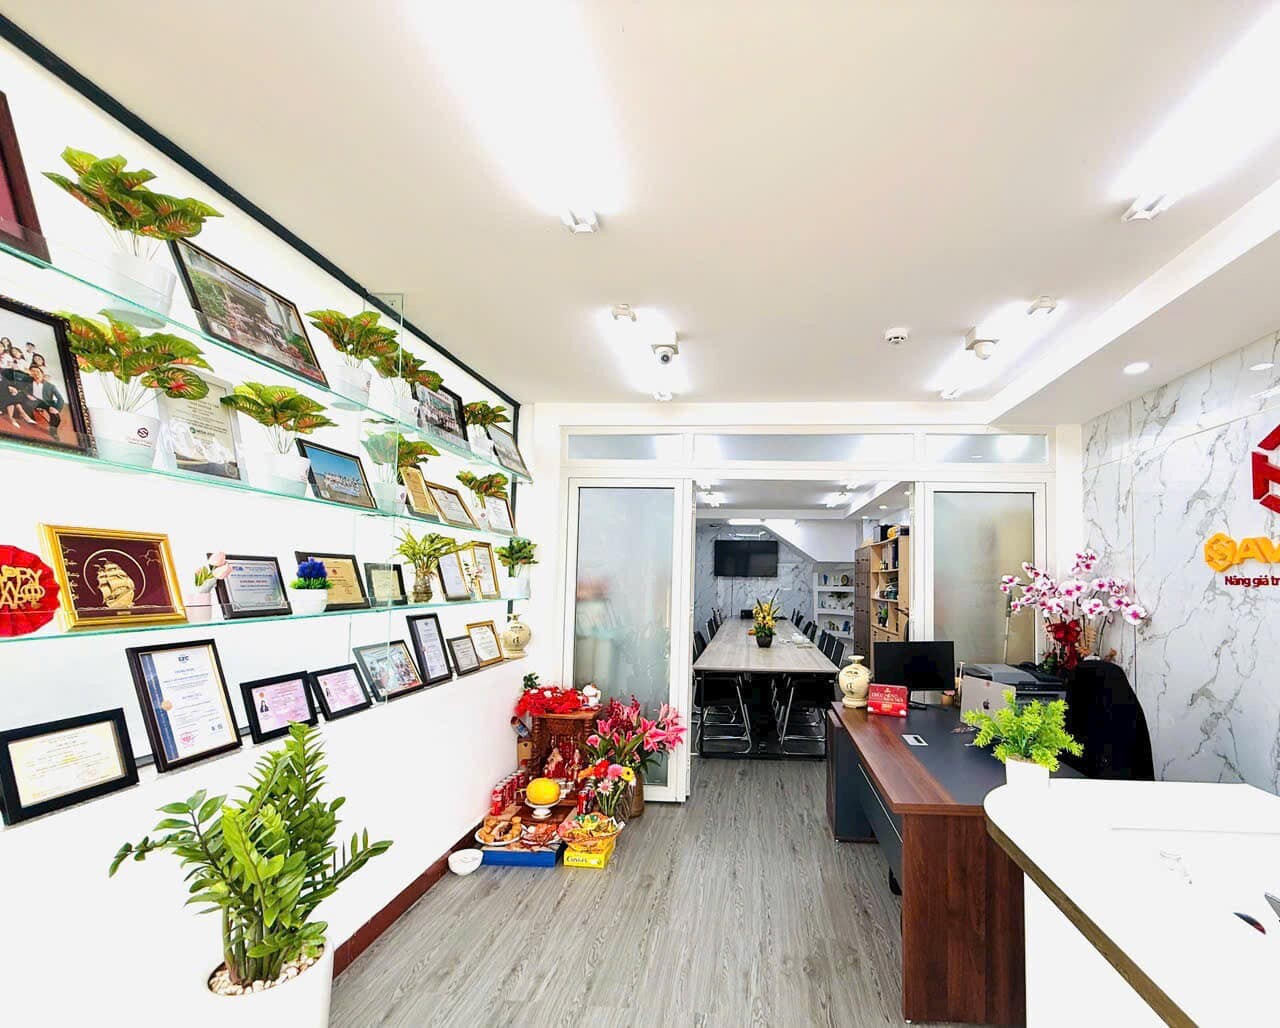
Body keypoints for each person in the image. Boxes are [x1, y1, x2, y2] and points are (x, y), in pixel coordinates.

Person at [16, 365, 63, 438]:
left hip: (46, 403)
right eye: (33, 372)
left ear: (42, 374)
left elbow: (60, 399)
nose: (35, 373)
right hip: (33, 401)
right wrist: (27, 394)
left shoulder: (51, 386)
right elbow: (22, 388)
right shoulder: (28, 381)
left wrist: (57, 409)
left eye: (37, 372)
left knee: (56, 417)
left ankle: (53, 432)